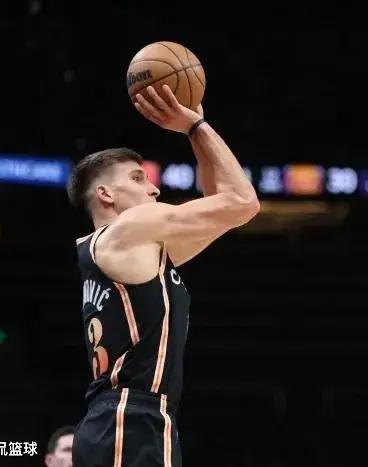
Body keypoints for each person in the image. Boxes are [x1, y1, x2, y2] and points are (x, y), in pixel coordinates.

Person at [67, 84, 259, 467]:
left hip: (129, 418)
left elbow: (220, 209)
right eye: (138, 179)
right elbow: (244, 202)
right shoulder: (131, 227)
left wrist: (196, 136)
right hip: (130, 419)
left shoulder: (131, 247)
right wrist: (195, 126)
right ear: (105, 195)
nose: (154, 188)